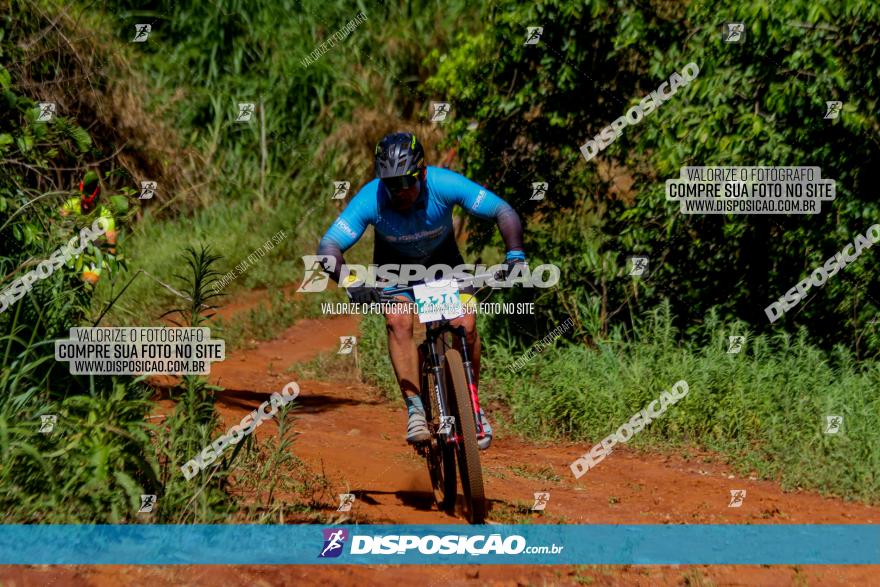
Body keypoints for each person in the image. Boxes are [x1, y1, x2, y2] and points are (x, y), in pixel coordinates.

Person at [316, 132, 526, 450]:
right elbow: (329, 246)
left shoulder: (443, 184)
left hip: (445, 269)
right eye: (391, 184)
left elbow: (503, 211)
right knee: (398, 320)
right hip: (395, 275)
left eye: (406, 183)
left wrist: (515, 255)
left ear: (423, 173)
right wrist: (350, 282)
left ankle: (471, 406)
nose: (398, 192)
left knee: (465, 326)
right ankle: (415, 409)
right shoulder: (371, 198)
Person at [59, 171, 118, 285]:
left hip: (93, 255)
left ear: (96, 200)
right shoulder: (71, 205)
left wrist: (112, 263)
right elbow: (56, 223)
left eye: (89, 203)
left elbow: (111, 237)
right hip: (71, 248)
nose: (85, 206)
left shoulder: (105, 214)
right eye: (84, 202)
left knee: (87, 284)